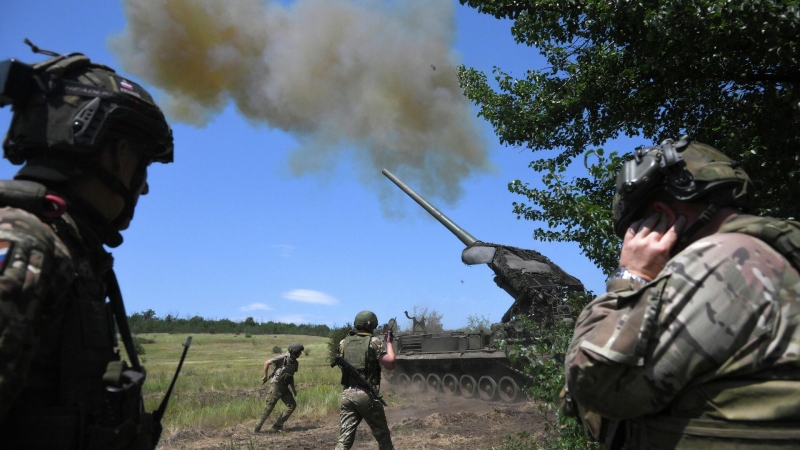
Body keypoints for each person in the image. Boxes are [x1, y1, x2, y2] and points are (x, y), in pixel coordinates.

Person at [563, 136, 800, 449]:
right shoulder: (772, 254)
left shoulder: (723, 259)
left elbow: (594, 383)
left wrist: (630, 276)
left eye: (635, 229)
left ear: (661, 218)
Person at [0, 43, 174, 449]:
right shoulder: (25, 243)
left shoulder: (64, 247)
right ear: (119, 155)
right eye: (143, 165)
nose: (143, 186)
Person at [334, 310, 395, 450]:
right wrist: (389, 343)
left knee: (343, 441)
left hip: (347, 394)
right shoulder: (374, 342)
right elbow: (390, 364)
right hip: (366, 395)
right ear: (372, 324)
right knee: (383, 437)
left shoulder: (343, 342)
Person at [254, 341, 304, 433]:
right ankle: (256, 429)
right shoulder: (282, 358)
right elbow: (266, 363)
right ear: (295, 352)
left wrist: (293, 389)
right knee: (269, 407)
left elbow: (291, 376)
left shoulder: (295, 363)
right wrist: (265, 376)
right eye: (299, 352)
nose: (300, 354)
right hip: (276, 386)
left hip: (284, 387)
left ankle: (277, 425)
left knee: (292, 406)